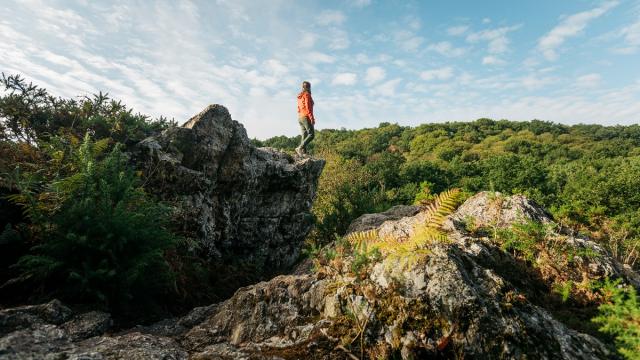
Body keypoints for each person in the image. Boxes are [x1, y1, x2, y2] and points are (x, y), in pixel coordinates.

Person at [296, 81, 315, 156]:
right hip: (306, 116)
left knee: (304, 135)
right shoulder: (307, 95)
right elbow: (308, 107)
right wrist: (312, 118)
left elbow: (298, 108)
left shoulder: (300, 96)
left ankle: (303, 152)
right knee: (311, 135)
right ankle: (300, 148)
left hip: (300, 117)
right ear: (309, 87)